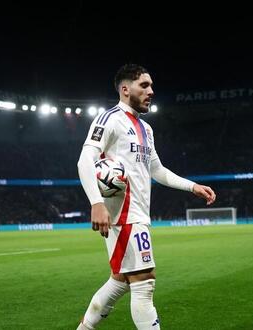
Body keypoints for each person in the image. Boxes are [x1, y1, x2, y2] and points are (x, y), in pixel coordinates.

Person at [76, 64, 216, 330]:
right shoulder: (109, 120)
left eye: (151, 86)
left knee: (119, 280)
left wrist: (192, 186)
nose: (151, 91)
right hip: (125, 216)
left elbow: (157, 170)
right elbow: (85, 160)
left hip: (138, 214)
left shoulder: (146, 129)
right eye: (144, 85)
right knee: (144, 282)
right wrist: (96, 202)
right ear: (125, 89)